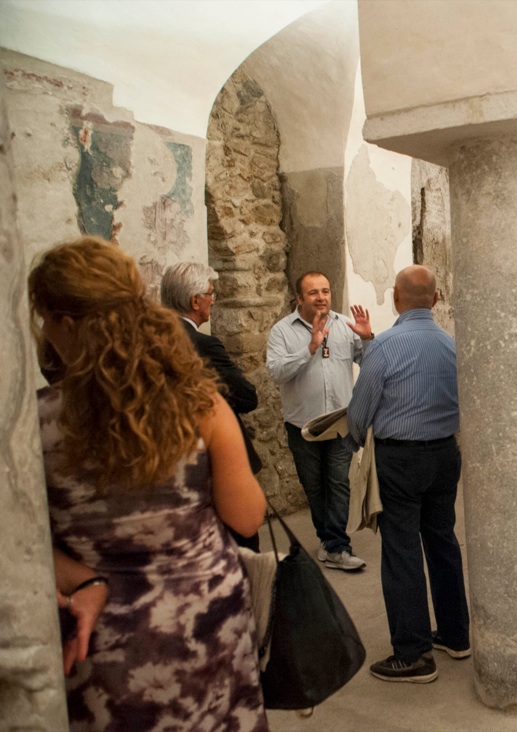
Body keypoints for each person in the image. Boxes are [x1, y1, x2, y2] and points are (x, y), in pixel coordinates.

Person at [30, 237, 268, 729]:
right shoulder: (202, 406)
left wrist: (83, 575)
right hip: (206, 617)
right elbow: (247, 516)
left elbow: (19, 538)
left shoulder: (35, 424)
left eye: (45, 318)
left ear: (67, 325)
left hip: (102, 630)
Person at [346, 265, 469, 684]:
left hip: (399, 461)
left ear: (396, 299)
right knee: (442, 541)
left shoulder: (384, 346)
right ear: (435, 300)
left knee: (401, 552)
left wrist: (353, 441)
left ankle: (413, 654)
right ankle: (455, 634)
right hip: (444, 456)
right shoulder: (453, 346)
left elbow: (359, 413)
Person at [266, 271, 374, 571]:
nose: (321, 297)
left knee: (338, 483)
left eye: (325, 291)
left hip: (340, 421)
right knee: (314, 487)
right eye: (313, 293)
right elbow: (276, 372)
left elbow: (368, 364)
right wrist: (310, 348)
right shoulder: (282, 331)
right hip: (303, 425)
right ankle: (329, 541)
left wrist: (366, 340)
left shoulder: (345, 325)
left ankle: (337, 546)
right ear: (299, 298)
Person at [161, 260, 262, 550]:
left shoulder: (146, 340)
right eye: (211, 294)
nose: (213, 301)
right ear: (195, 301)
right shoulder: (202, 344)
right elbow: (245, 397)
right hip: (211, 455)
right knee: (241, 543)